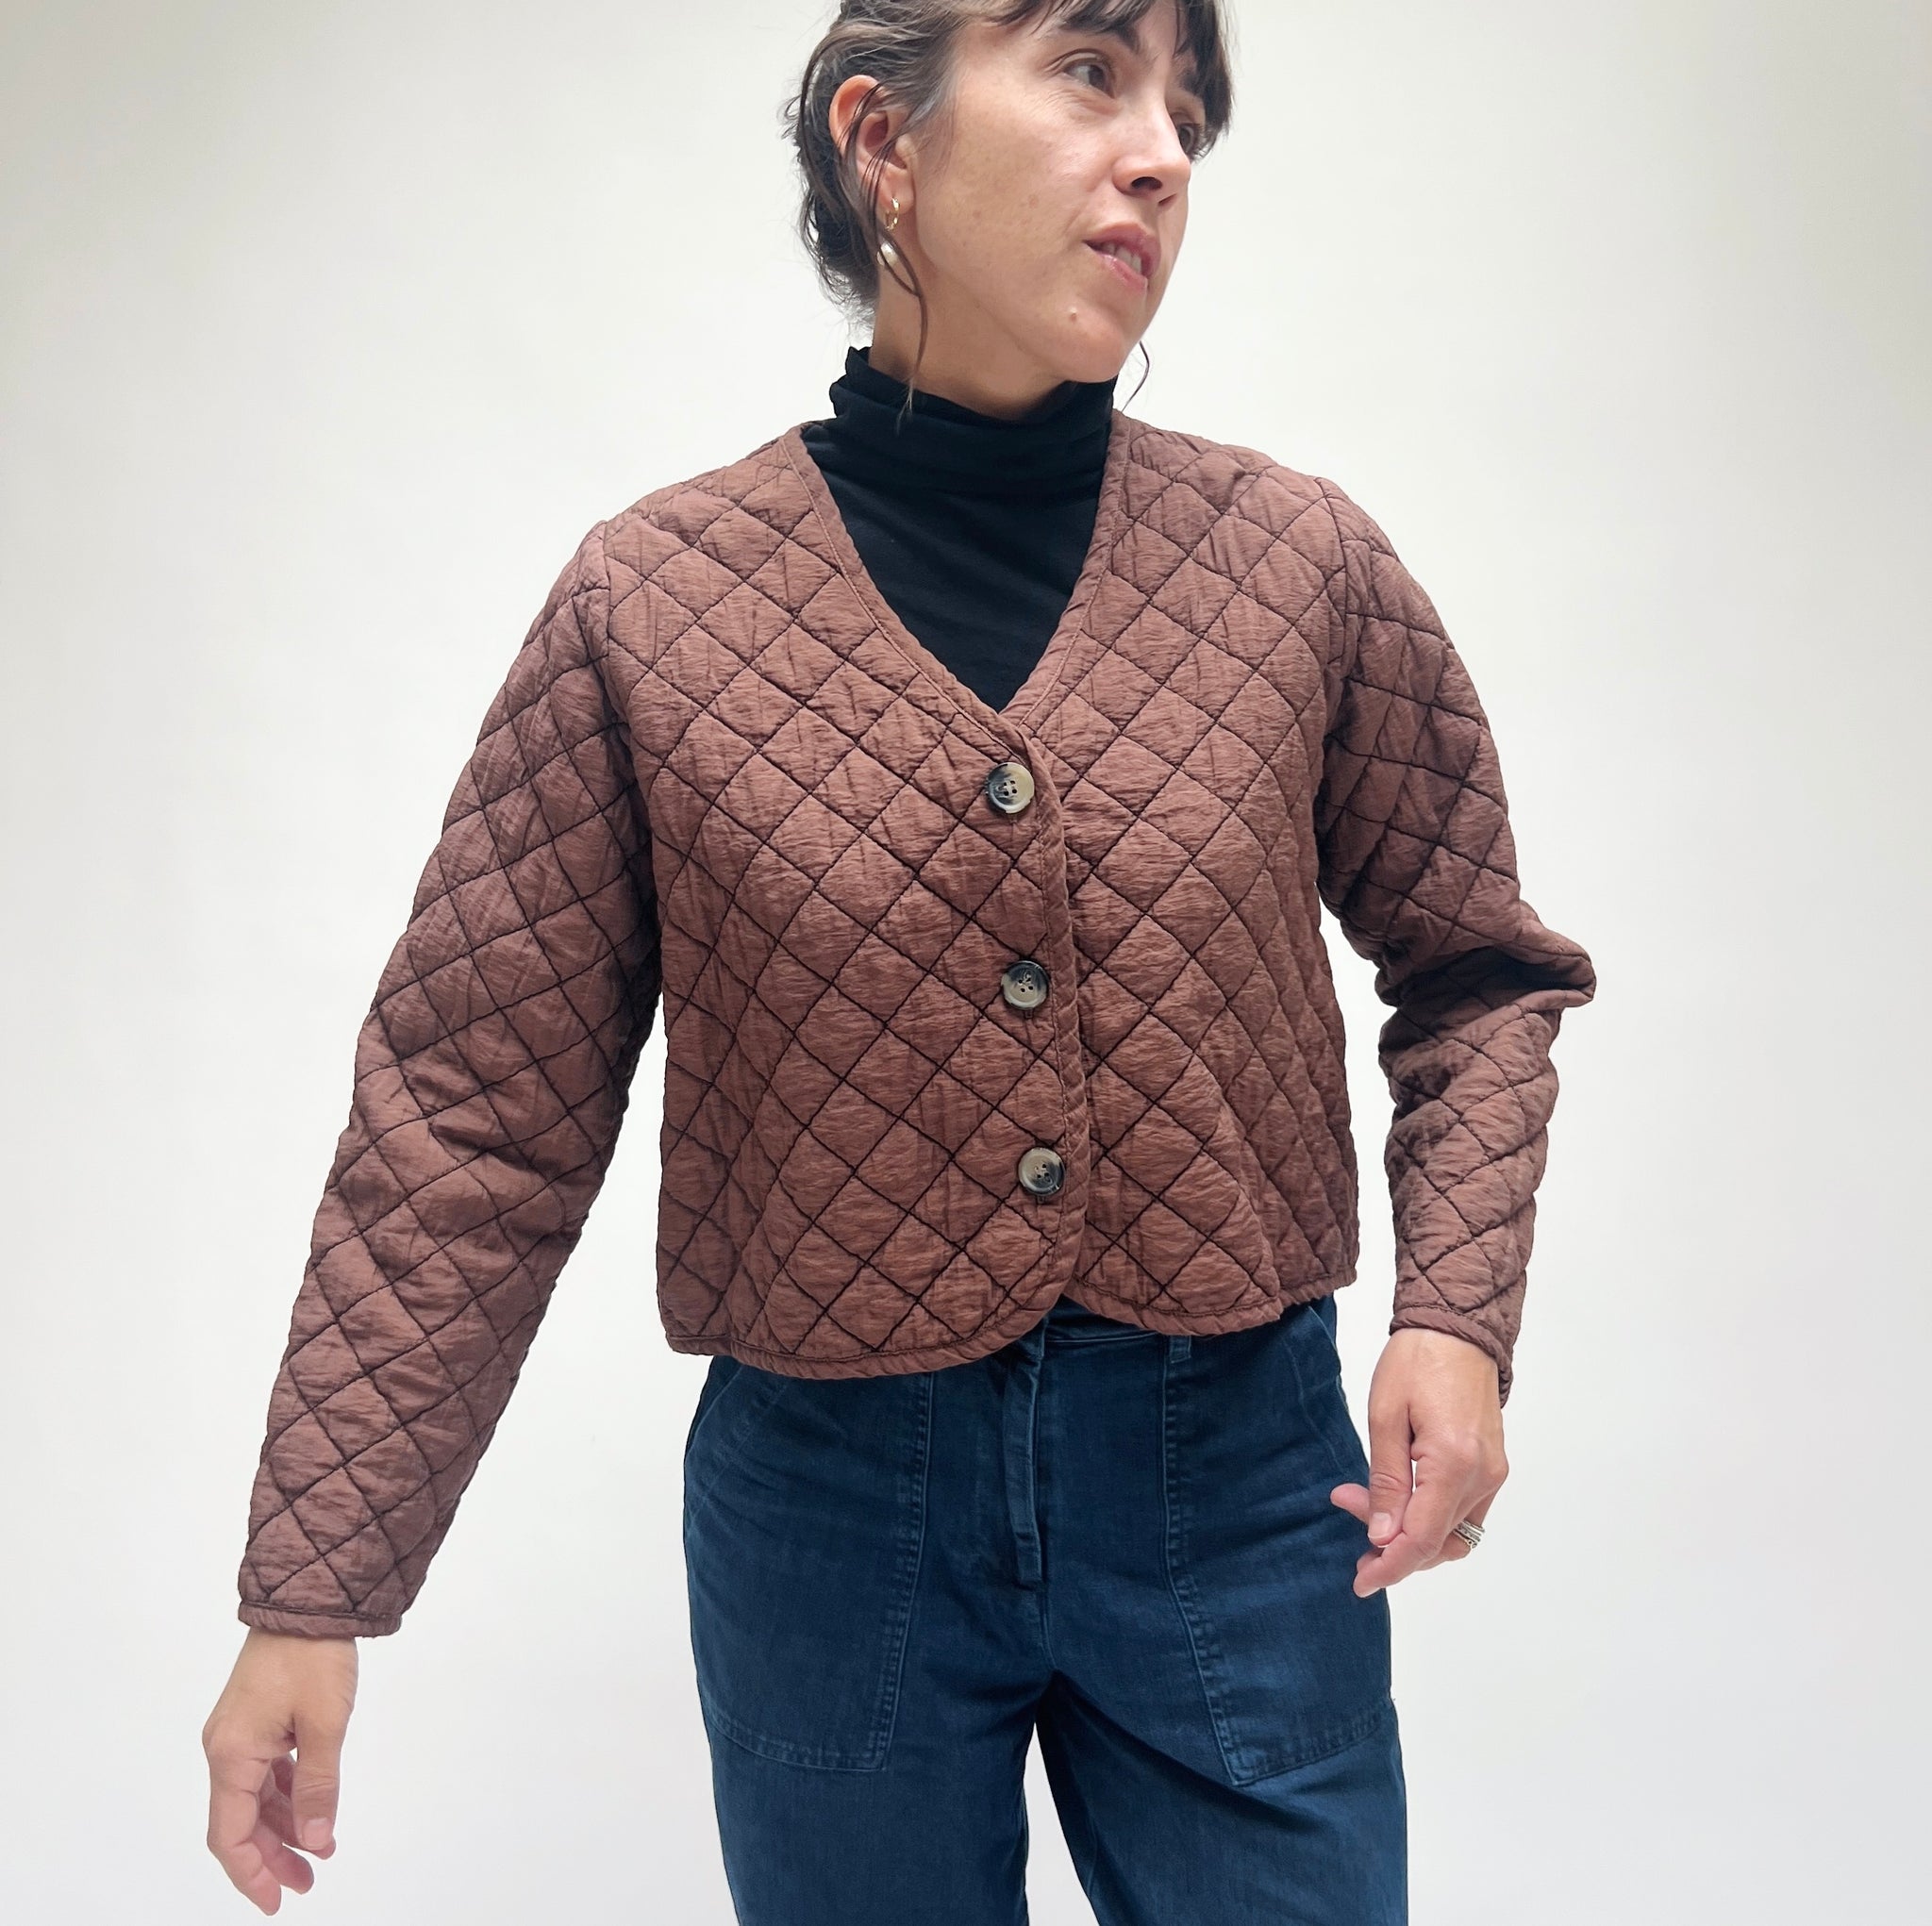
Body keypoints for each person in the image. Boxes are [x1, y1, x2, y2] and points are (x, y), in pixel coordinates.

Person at [201, 3, 1596, 1920]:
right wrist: (313, 1591)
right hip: (831, 1521)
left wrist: (1456, 1311)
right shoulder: (650, 609)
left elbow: (1479, 969)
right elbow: (471, 1116)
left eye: (1185, 109)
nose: (1161, 149)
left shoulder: (1298, 570)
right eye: (1092, 70)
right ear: (884, 138)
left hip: (1240, 1487)